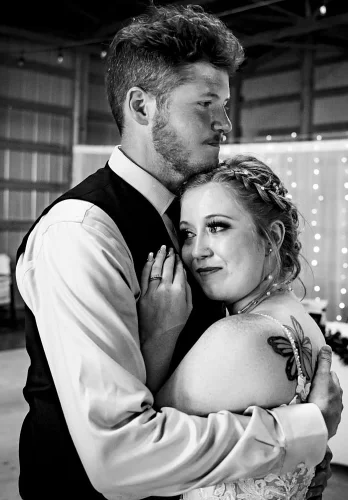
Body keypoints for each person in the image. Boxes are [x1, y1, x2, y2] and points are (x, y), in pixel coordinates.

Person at [15, 5, 342, 500]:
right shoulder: (81, 234)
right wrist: (299, 433)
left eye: (226, 106)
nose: (225, 124)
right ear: (142, 107)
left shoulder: (194, 206)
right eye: (206, 105)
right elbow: (121, 457)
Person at [137, 155, 334, 499]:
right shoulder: (297, 317)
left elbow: (139, 446)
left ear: (271, 235)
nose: (196, 251)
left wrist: (159, 332)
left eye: (217, 226)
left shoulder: (243, 337)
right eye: (187, 233)